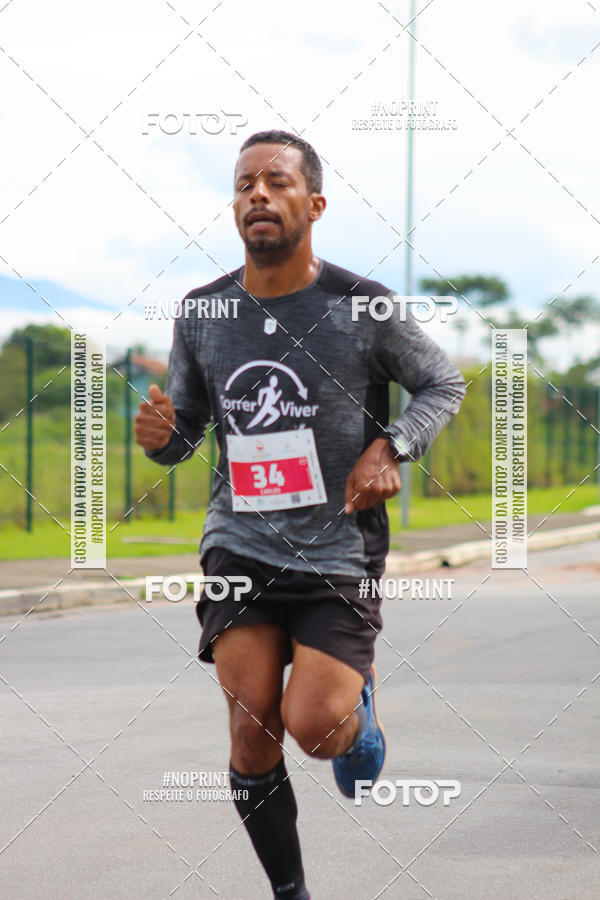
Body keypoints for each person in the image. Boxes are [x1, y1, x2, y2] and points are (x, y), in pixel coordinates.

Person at [135, 129, 466, 899]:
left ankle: (359, 708)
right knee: (253, 728)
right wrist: (163, 439)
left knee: (314, 728)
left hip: (337, 551)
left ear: (312, 204)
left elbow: (441, 384)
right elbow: (183, 428)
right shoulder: (204, 311)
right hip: (240, 545)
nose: (258, 193)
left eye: (277, 181)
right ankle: (292, 893)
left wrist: (393, 449)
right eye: (246, 182)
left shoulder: (363, 307)